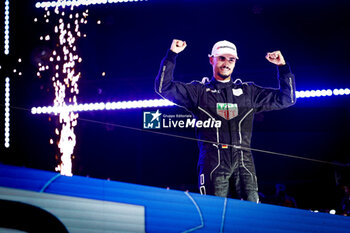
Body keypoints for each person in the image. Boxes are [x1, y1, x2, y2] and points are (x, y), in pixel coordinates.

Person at [155, 39, 296, 203]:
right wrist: (172, 55)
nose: (226, 63)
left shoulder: (248, 92)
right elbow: (163, 87)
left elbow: (288, 98)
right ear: (211, 59)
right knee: (214, 215)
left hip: (244, 162)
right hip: (212, 161)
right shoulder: (199, 92)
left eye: (231, 59)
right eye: (221, 58)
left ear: (235, 62)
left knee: (249, 216)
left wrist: (283, 67)